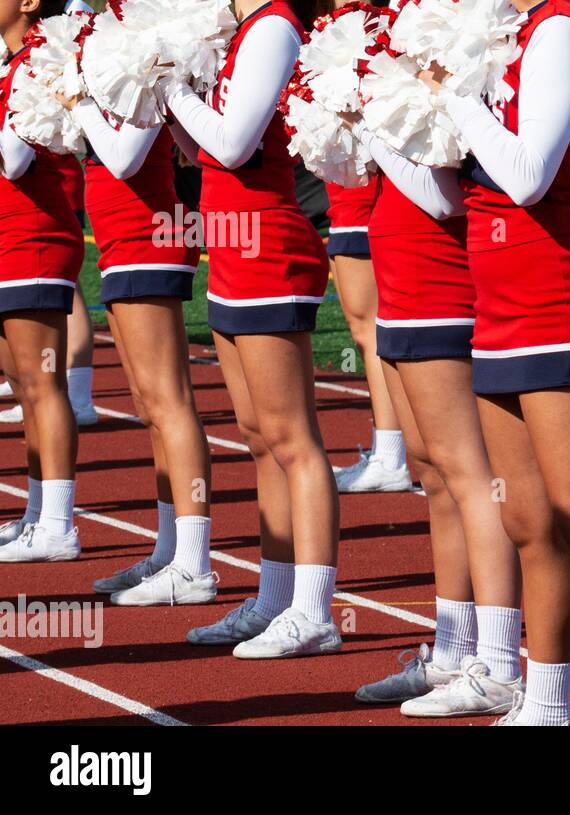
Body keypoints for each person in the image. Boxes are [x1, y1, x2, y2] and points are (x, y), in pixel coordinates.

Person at [435, 0, 570, 725]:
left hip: (556, 293)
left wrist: (454, 96)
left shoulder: (559, 28)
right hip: (494, 294)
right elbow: (453, 189)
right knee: (528, 521)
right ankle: (547, 702)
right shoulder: (506, 31)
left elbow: (527, 176)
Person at [160, 0, 343, 658]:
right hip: (234, 245)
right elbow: (204, 149)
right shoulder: (244, 32)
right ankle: (275, 597)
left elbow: (236, 144)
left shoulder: (273, 26)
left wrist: (172, 85)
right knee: (260, 437)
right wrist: (164, 92)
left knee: (292, 437)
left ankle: (315, 609)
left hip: (269, 244)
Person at [348, 126, 524, 718]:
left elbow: (445, 196)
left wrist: (371, 124)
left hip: (442, 283)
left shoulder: (443, 55)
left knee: (470, 477)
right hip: (401, 283)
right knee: (434, 475)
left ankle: (500, 663)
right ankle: (452, 649)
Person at [57, 66, 215, 605]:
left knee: (169, 403)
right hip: (122, 238)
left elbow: (124, 157)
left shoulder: (145, 50)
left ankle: (193, 564)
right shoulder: (111, 43)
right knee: (150, 405)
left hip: (150, 233)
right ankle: (170, 549)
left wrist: (78, 101)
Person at [0, 0, 84, 564]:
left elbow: (13, 158)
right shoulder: (12, 61)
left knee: (43, 384)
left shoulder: (43, 58)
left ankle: (58, 523)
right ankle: (37, 515)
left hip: (34, 237)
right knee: (26, 389)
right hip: (8, 238)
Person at [323, 176, 413, 494]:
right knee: (367, 332)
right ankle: (387, 453)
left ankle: (390, 458)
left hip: (362, 208)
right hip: (349, 207)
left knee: (371, 333)